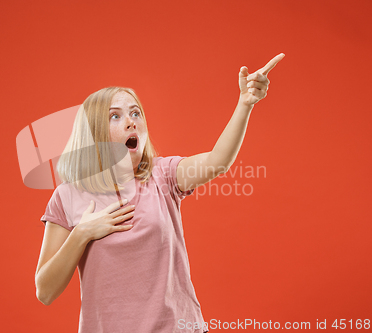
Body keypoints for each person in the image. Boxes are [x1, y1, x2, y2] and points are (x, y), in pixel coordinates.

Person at [35, 53, 285, 333]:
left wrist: (244, 104)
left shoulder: (163, 175)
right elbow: (45, 291)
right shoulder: (67, 196)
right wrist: (81, 233)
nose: (131, 121)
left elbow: (218, 161)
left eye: (135, 112)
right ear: (94, 134)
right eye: (115, 116)